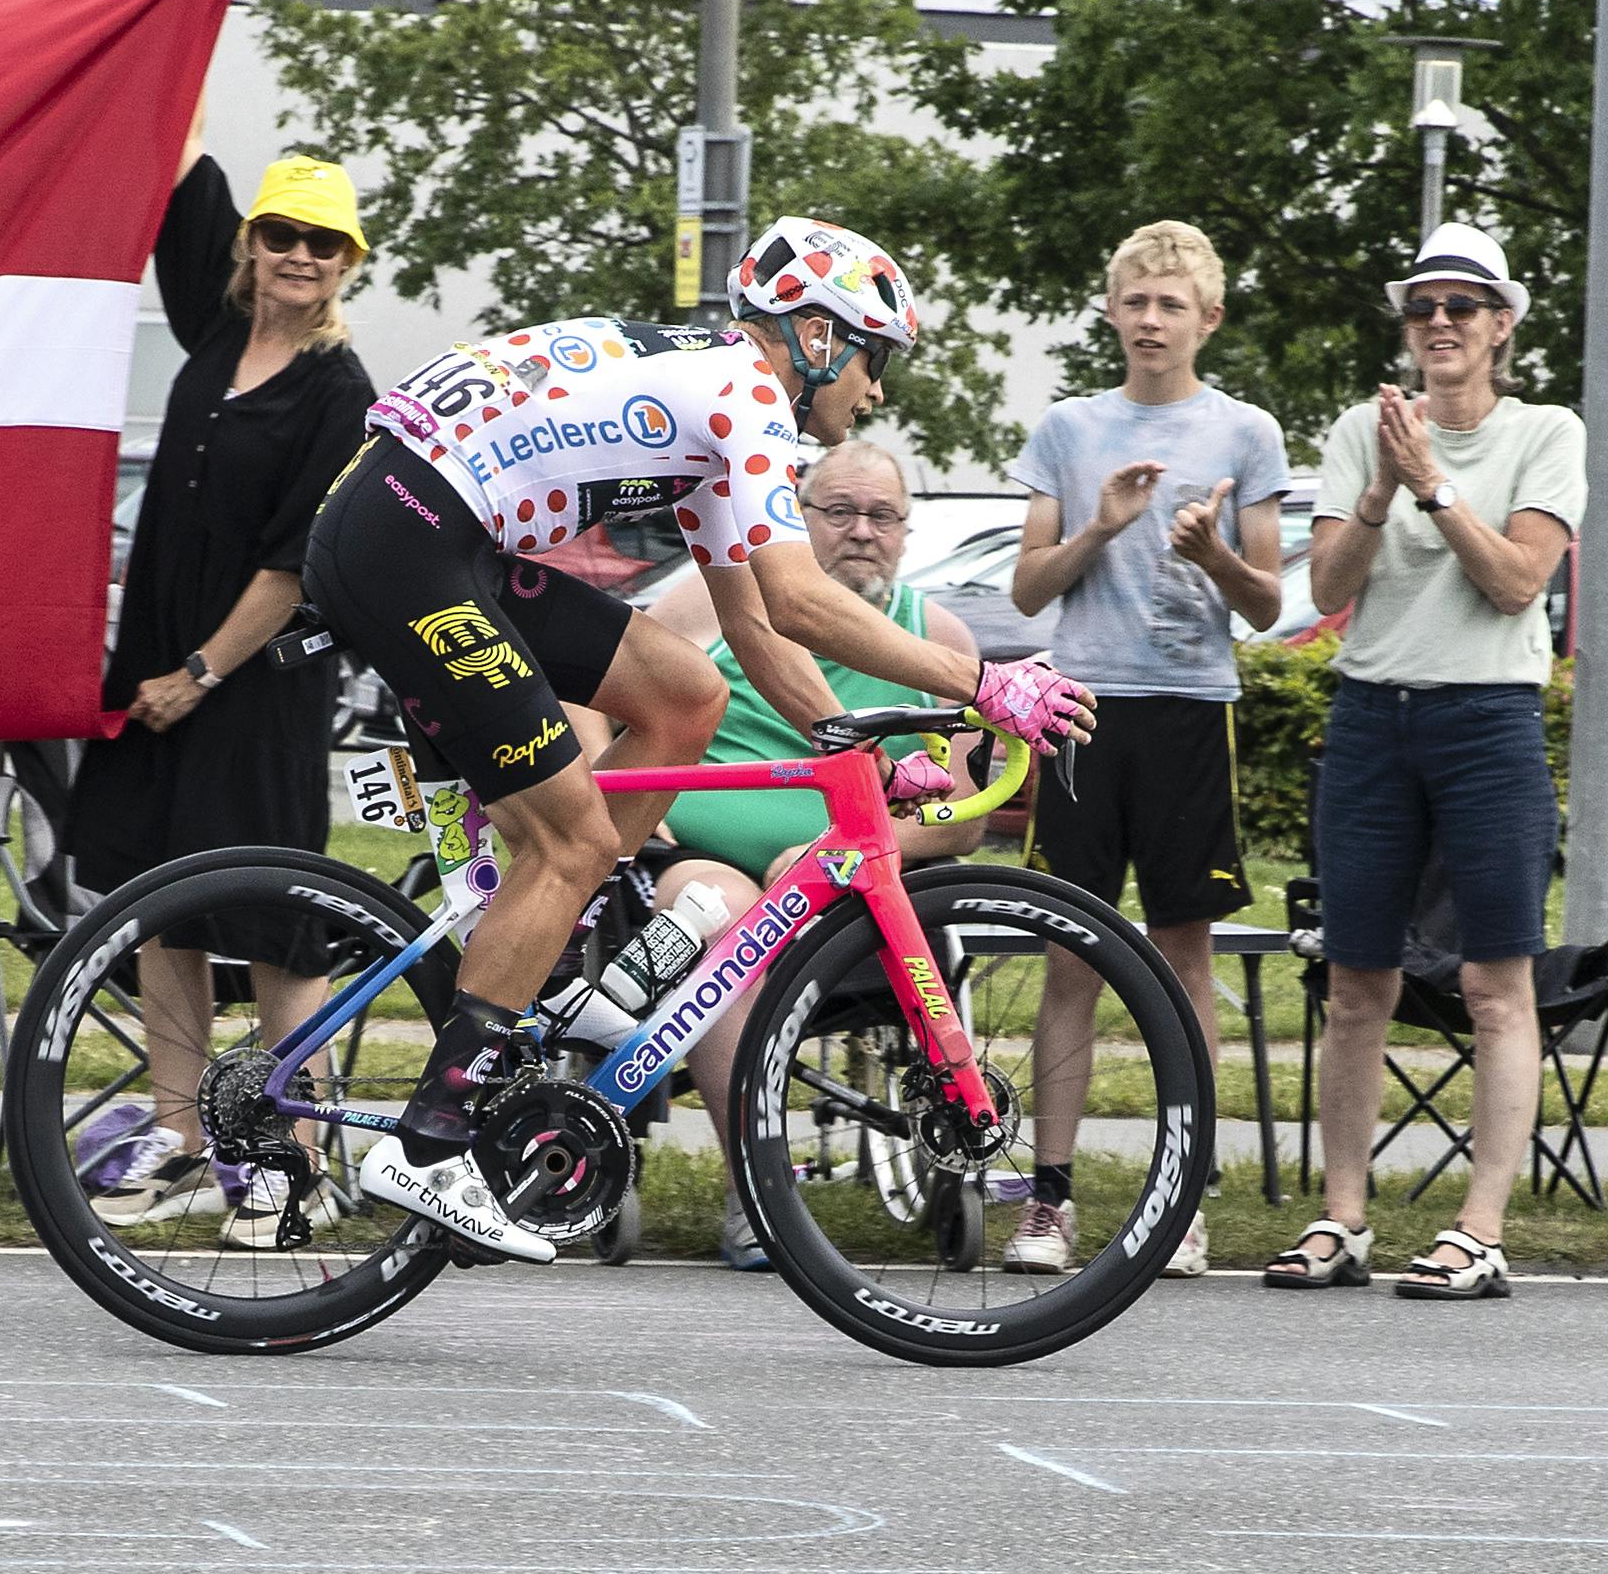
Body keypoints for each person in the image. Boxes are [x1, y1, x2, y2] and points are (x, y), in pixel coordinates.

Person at [303, 218, 1096, 1260]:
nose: (878, 390)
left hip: (444, 539)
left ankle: (545, 963)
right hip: (407, 541)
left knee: (683, 696)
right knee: (572, 839)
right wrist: (985, 681)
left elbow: (755, 630)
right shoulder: (744, 393)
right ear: (816, 336)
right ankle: (435, 1135)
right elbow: (805, 599)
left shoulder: (721, 405)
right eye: (876, 358)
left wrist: (850, 748)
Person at [1269, 225, 1584, 1303]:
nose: (1440, 324)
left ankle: (1479, 1229)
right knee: (1356, 983)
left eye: (1464, 306)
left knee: (1498, 985)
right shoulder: (1365, 427)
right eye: (1422, 309)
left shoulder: (1546, 432)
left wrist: (1436, 486)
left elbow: (1513, 584)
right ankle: (1341, 1217)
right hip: (1371, 716)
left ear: (1502, 326)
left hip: (1488, 721)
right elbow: (1322, 590)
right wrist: (1376, 490)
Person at [72, 139, 375, 1250]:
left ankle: (293, 1166)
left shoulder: (339, 390)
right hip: (157, 673)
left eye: (323, 244)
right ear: (252, 243)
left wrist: (199, 673)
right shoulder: (214, 323)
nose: (299, 256)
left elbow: (293, 566)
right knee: (165, 910)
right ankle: (185, 1140)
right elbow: (175, 165)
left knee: (276, 933)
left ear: (347, 264)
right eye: (282, 234)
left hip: (247, 693)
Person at [607, 436, 990, 1270]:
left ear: (907, 531)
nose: (861, 530)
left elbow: (962, 818)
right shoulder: (711, 604)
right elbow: (597, 691)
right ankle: (759, 1192)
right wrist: (633, 800)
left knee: (780, 900)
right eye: (839, 510)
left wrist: (833, 856)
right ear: (798, 517)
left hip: (862, 884)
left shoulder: (937, 634)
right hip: (709, 865)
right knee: (716, 920)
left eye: (882, 515)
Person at [1001, 219, 1286, 1282]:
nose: (1152, 320)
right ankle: (1048, 1201)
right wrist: (1103, 528)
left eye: (1172, 304)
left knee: (1182, 953)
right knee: (1067, 951)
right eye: (1137, 301)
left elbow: (1265, 605)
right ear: (1111, 311)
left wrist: (1211, 552)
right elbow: (1028, 589)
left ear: (1207, 318)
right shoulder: (1070, 429)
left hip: (1186, 706)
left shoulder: (1245, 431)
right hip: (1081, 707)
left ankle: (1183, 1197)